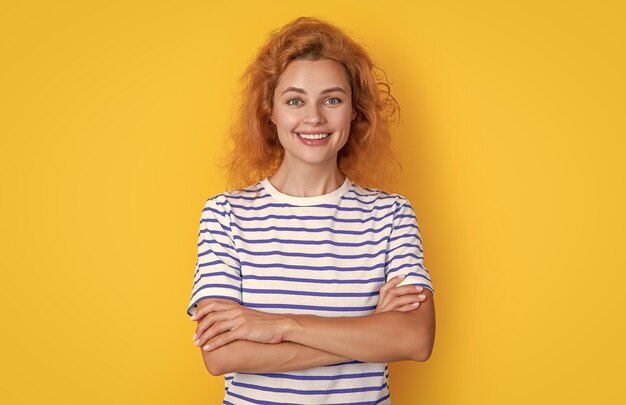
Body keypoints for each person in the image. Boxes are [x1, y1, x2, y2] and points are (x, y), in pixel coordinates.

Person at [186, 16, 435, 405]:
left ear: (354, 110)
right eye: (295, 100)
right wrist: (369, 333)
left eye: (332, 99)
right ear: (271, 110)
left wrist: (282, 326)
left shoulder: (391, 216)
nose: (314, 117)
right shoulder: (226, 216)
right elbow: (222, 355)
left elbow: (415, 340)